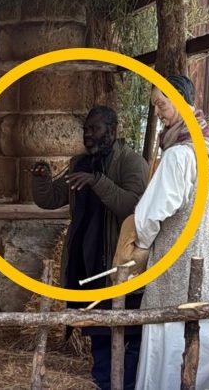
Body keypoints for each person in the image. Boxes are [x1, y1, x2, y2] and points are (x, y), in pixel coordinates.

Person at [123, 75, 209, 389]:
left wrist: (142, 245)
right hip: (203, 257)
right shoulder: (207, 147)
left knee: (172, 333)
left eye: (161, 104)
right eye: (155, 105)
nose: (158, 112)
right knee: (203, 329)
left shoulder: (179, 155)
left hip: (177, 263)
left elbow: (151, 212)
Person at [30, 105, 148, 390]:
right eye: (85, 129)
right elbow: (52, 198)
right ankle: (104, 383)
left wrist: (97, 182)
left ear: (112, 130)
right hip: (88, 262)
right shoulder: (79, 164)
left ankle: (126, 384)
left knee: (130, 333)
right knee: (98, 332)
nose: (88, 135)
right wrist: (41, 179)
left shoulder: (131, 163)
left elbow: (133, 208)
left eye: (94, 129)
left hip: (119, 264)